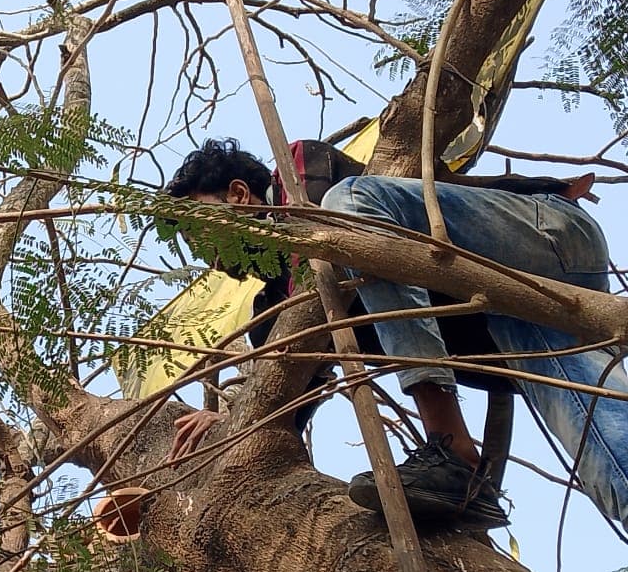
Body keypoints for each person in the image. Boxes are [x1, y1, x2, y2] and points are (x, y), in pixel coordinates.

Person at [163, 137, 628, 531]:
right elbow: (282, 398)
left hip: (545, 238)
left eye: (199, 235)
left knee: (347, 209)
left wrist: (274, 357)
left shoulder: (299, 171)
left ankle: (450, 448)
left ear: (240, 194)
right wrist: (234, 417)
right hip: (522, 317)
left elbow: (327, 241)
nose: (211, 261)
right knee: (611, 456)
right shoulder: (273, 310)